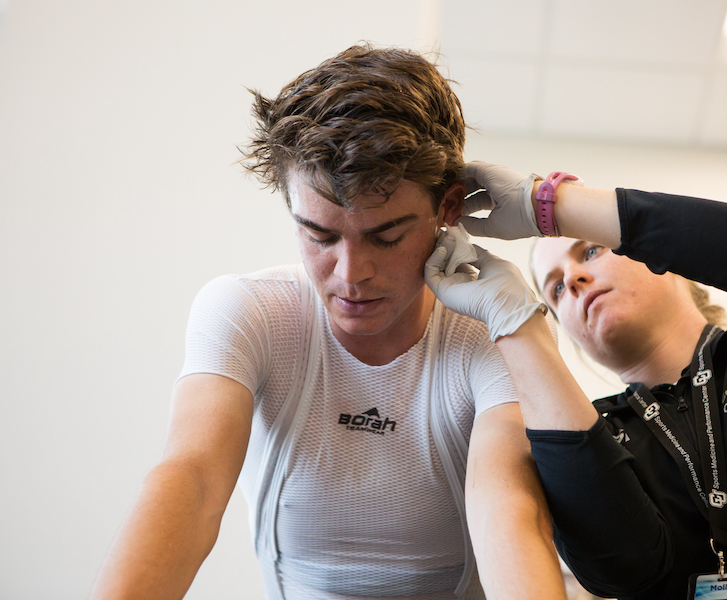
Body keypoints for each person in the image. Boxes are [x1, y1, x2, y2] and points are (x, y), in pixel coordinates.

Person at [90, 48, 570, 600]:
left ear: (449, 209)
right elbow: (192, 481)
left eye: (386, 237)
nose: (350, 274)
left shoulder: (490, 334)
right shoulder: (249, 312)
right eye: (319, 236)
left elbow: (507, 511)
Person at [425, 161, 727, 599]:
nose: (572, 281)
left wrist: (548, 207)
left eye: (590, 251)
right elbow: (621, 565)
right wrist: (516, 321)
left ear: (667, 258)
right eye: (554, 288)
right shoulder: (598, 436)